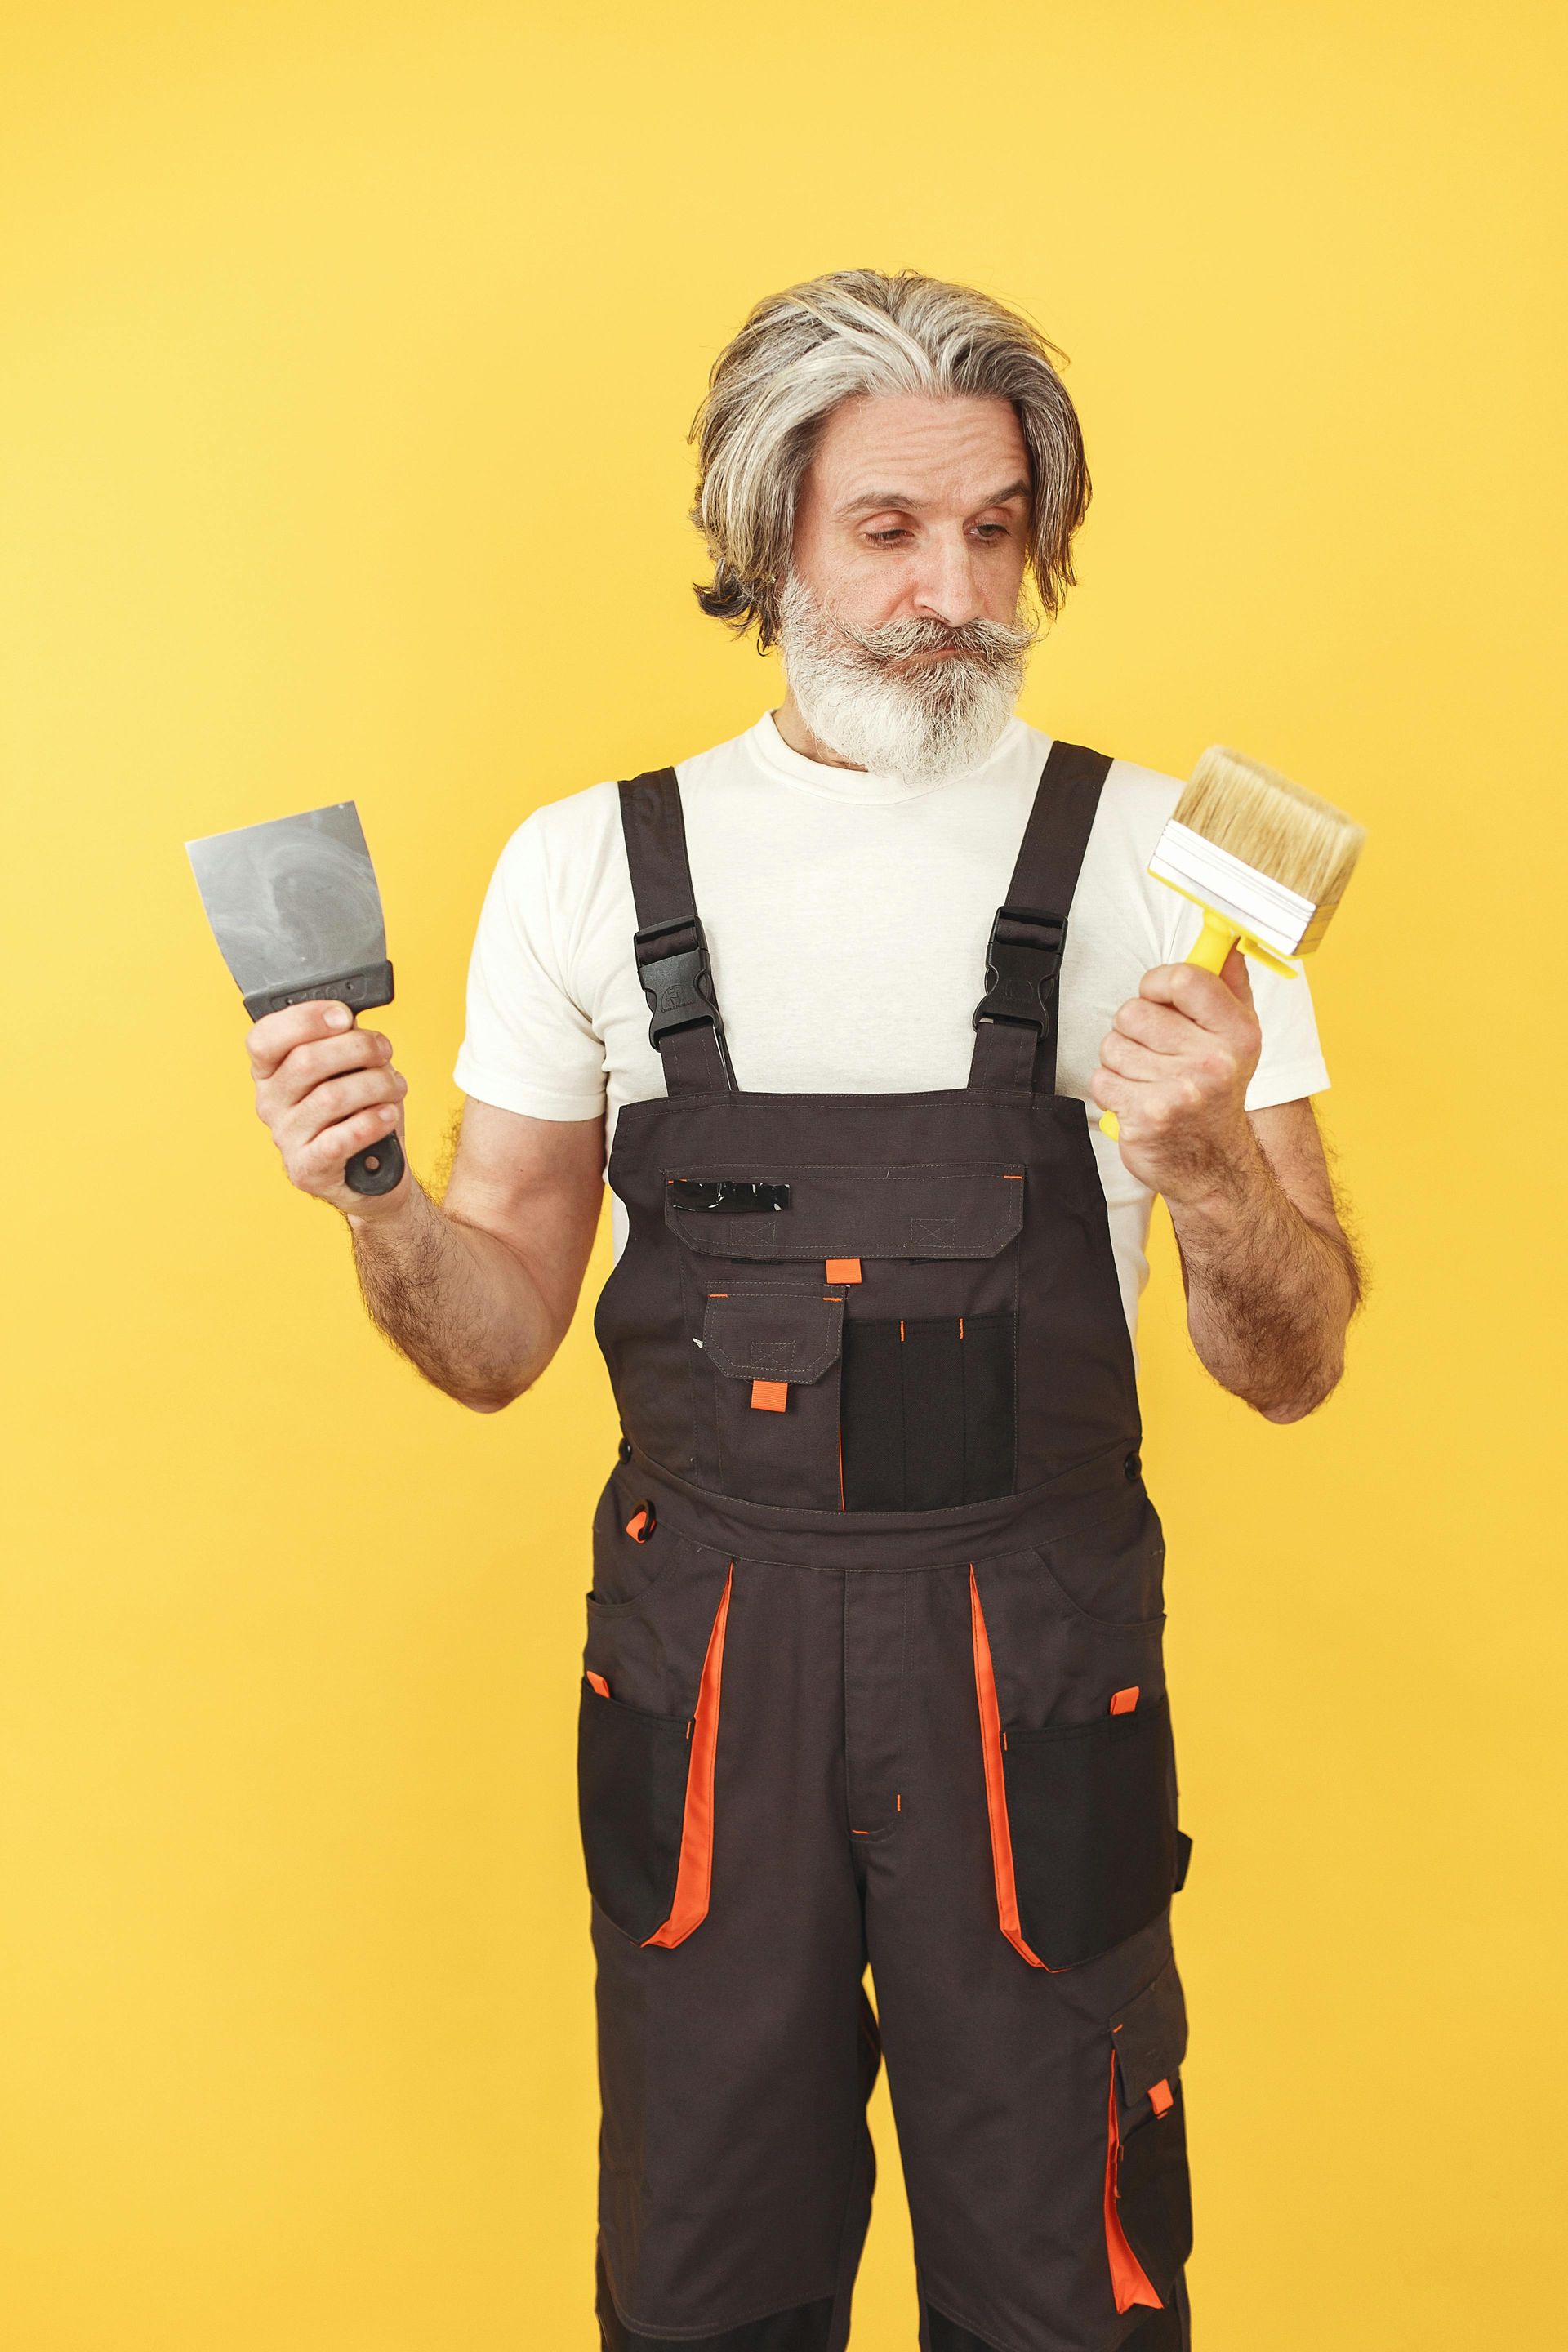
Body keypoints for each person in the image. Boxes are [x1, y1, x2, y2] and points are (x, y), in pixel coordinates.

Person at [243, 270, 1361, 2352]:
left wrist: (1207, 1153)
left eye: (998, 527)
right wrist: (372, 1193)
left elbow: (1288, 1364)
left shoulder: (1172, 869)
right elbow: (491, 1339)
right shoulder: (584, 870)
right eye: (891, 530)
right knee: (702, 2280)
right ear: (770, 539)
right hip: (713, 1661)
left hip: (1034, 1655)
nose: (957, 585)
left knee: (1070, 2282)